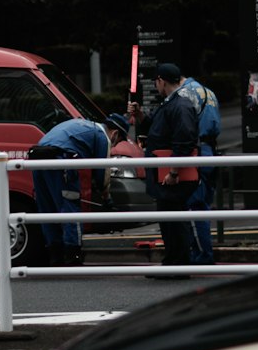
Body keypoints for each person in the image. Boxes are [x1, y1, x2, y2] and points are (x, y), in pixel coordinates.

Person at [28, 114, 129, 266]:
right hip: (60, 161)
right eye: (116, 143)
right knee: (70, 207)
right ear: (115, 134)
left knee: (47, 209)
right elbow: (102, 174)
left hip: (37, 158)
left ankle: (55, 255)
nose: (113, 147)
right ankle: (72, 255)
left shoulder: (82, 124)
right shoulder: (101, 135)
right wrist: (107, 199)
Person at [137, 62, 200, 271]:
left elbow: (184, 140)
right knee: (169, 219)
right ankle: (172, 262)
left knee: (174, 219)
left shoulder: (178, 105)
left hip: (171, 173)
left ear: (161, 81)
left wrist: (173, 171)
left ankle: (178, 264)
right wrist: (139, 116)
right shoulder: (173, 103)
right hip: (165, 171)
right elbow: (156, 127)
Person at [180, 74, 222, 266]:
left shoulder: (185, 93)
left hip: (196, 152)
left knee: (194, 206)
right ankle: (202, 252)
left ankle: (203, 254)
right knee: (203, 203)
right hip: (211, 151)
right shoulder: (209, 92)